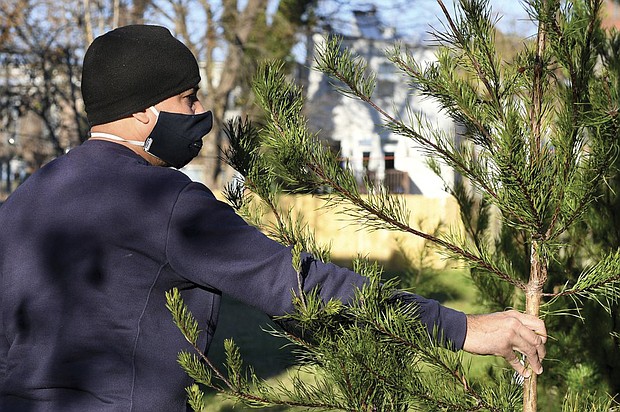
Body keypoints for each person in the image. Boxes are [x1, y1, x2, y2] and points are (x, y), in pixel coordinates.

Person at [0, 24, 546, 411]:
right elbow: (302, 285)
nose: (201, 115)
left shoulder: (25, 201)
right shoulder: (160, 199)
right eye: (189, 100)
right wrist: (465, 327)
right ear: (145, 111)